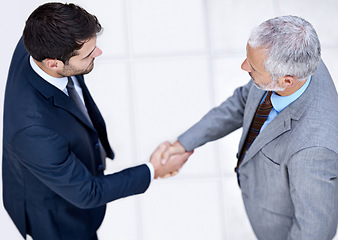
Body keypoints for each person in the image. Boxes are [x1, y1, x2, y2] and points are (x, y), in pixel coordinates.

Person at [2, 3, 192, 240]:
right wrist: (153, 169)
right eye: (88, 54)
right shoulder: (33, 130)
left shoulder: (37, 38)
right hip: (60, 219)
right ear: (53, 63)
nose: (98, 53)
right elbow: (87, 193)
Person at [161, 16, 338, 239]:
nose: (244, 66)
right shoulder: (292, 60)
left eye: (252, 67)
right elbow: (242, 101)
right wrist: (183, 143)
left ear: (286, 81)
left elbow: (315, 231)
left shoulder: (314, 150)